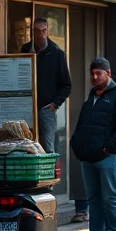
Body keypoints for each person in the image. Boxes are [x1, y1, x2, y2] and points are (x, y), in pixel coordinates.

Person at [69, 58, 116, 231]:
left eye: (99, 73)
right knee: (94, 200)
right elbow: (83, 125)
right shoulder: (91, 97)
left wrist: (107, 148)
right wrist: (76, 144)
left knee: (110, 198)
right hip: (88, 158)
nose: (94, 77)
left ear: (108, 74)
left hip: (108, 158)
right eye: (92, 73)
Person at [20, 17, 72, 155]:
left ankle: (49, 169)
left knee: (48, 148)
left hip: (46, 108)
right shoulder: (25, 50)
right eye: (38, 31)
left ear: (48, 31)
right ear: (33, 32)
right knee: (26, 146)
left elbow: (67, 84)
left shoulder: (57, 54)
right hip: (26, 106)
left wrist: (55, 104)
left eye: (44, 30)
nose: (41, 34)